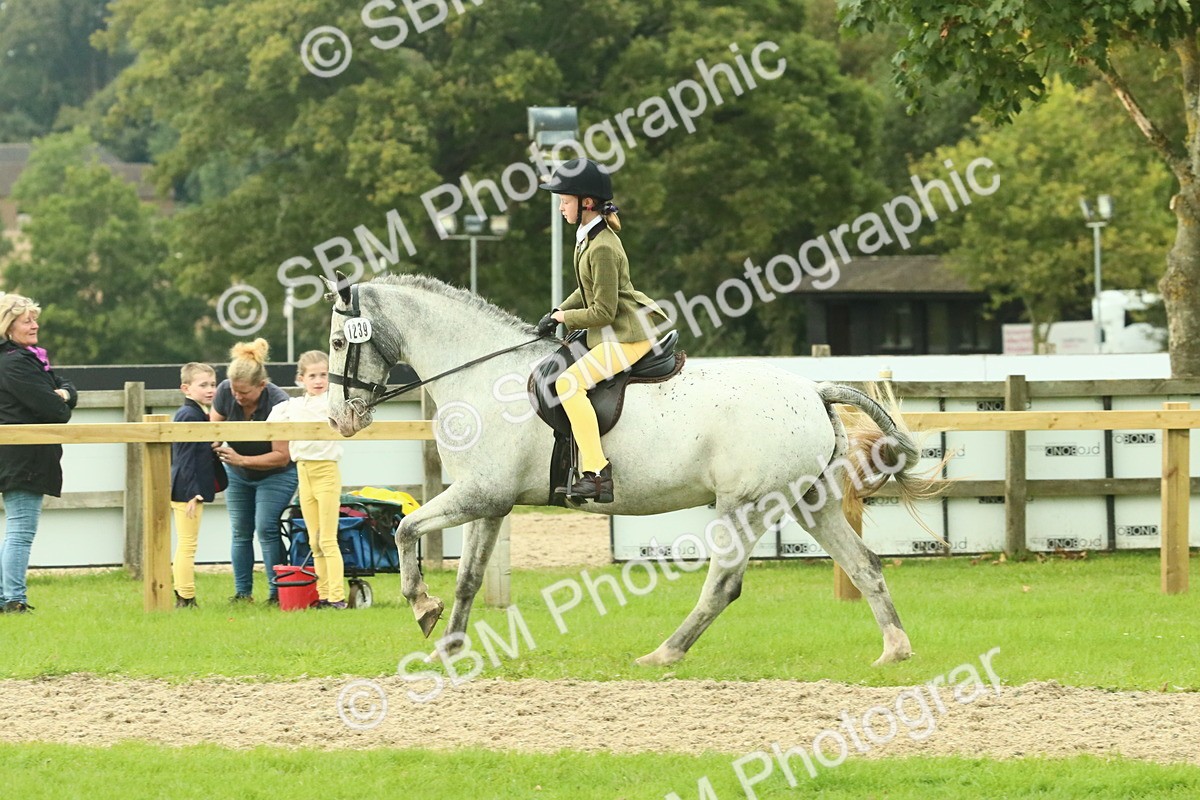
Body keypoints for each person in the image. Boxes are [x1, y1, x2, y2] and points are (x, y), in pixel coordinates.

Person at [536, 158, 670, 502]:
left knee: (568, 384)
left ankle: (596, 473)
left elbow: (603, 310)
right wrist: (557, 311)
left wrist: (566, 319)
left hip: (628, 333)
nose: (561, 208)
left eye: (564, 201)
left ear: (587, 203)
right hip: (614, 329)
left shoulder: (604, 246)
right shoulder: (589, 239)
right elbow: (585, 290)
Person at [0, 293, 77, 613]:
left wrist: (63, 393)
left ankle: (8, 595)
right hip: (23, 455)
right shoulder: (16, 362)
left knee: (15, 528)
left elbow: (65, 387)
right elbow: (56, 411)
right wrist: (61, 396)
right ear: (8, 326)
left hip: (22, 454)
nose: (35, 325)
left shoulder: (29, 358)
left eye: (35, 318)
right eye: (27, 320)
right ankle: (14, 599)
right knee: (20, 528)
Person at [210, 338, 297, 604]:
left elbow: (282, 456)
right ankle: (242, 593)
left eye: (244, 393)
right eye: (235, 391)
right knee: (240, 530)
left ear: (261, 385)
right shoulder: (225, 391)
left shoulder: (279, 402)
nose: (237, 397)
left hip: (277, 474)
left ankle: (276, 593)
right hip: (238, 474)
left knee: (266, 527)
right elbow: (214, 429)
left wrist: (241, 460)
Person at [268, 351, 346, 609]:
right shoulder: (293, 406)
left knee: (327, 538)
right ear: (301, 379)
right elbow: (271, 422)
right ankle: (322, 594)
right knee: (313, 538)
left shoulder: (333, 402)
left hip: (326, 471)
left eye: (323, 375)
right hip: (303, 471)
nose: (318, 380)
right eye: (312, 376)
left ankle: (336, 596)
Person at [169, 362, 224, 609]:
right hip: (187, 491)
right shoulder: (189, 415)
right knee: (187, 544)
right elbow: (184, 459)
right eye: (203, 385)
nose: (210, 390)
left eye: (212, 384)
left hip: (188, 488)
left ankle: (185, 594)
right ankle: (186, 596)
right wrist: (193, 492)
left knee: (187, 543)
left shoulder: (197, 413)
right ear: (186, 388)